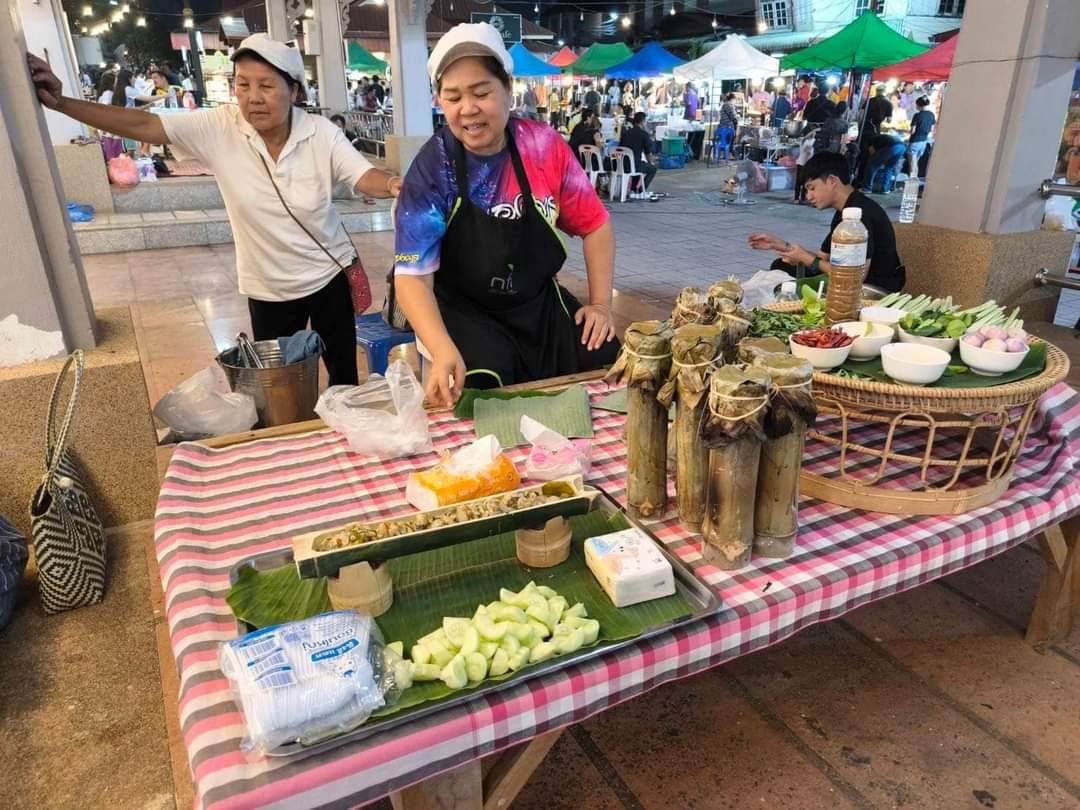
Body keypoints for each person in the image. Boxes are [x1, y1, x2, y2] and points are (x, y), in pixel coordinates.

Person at [28, 35, 401, 387]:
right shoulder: (220, 127)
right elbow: (144, 124)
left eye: (267, 86)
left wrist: (390, 185)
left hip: (328, 276)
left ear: (295, 90)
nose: (253, 97)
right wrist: (62, 103)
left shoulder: (321, 133)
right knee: (280, 386)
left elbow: (361, 174)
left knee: (343, 378)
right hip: (269, 287)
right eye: (243, 85)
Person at [392, 23, 619, 406]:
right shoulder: (433, 167)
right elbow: (412, 278)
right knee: (479, 387)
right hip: (464, 312)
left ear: (508, 91)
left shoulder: (543, 146)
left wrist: (600, 306)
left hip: (537, 305)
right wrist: (441, 348)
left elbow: (596, 226)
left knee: (603, 354)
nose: (468, 109)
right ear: (440, 102)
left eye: (481, 92)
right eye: (453, 97)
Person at [748, 151, 904, 293]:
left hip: (873, 288)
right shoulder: (844, 211)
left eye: (812, 188)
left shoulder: (861, 216)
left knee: (787, 277)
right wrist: (784, 246)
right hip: (847, 278)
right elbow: (824, 258)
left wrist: (805, 258)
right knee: (781, 265)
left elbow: (854, 278)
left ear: (831, 181)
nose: (808, 197)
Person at [619, 112, 657, 195]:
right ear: (643, 121)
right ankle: (640, 190)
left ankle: (633, 189)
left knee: (638, 164)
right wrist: (651, 163)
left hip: (621, 164)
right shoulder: (643, 134)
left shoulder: (626, 133)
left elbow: (620, 147)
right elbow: (648, 154)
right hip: (634, 164)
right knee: (652, 169)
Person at [907, 95, 935, 179]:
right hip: (924, 142)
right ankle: (913, 186)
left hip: (915, 141)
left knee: (912, 165)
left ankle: (911, 187)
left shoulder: (917, 115)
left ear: (919, 105)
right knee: (916, 164)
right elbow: (931, 129)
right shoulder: (931, 115)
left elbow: (913, 131)